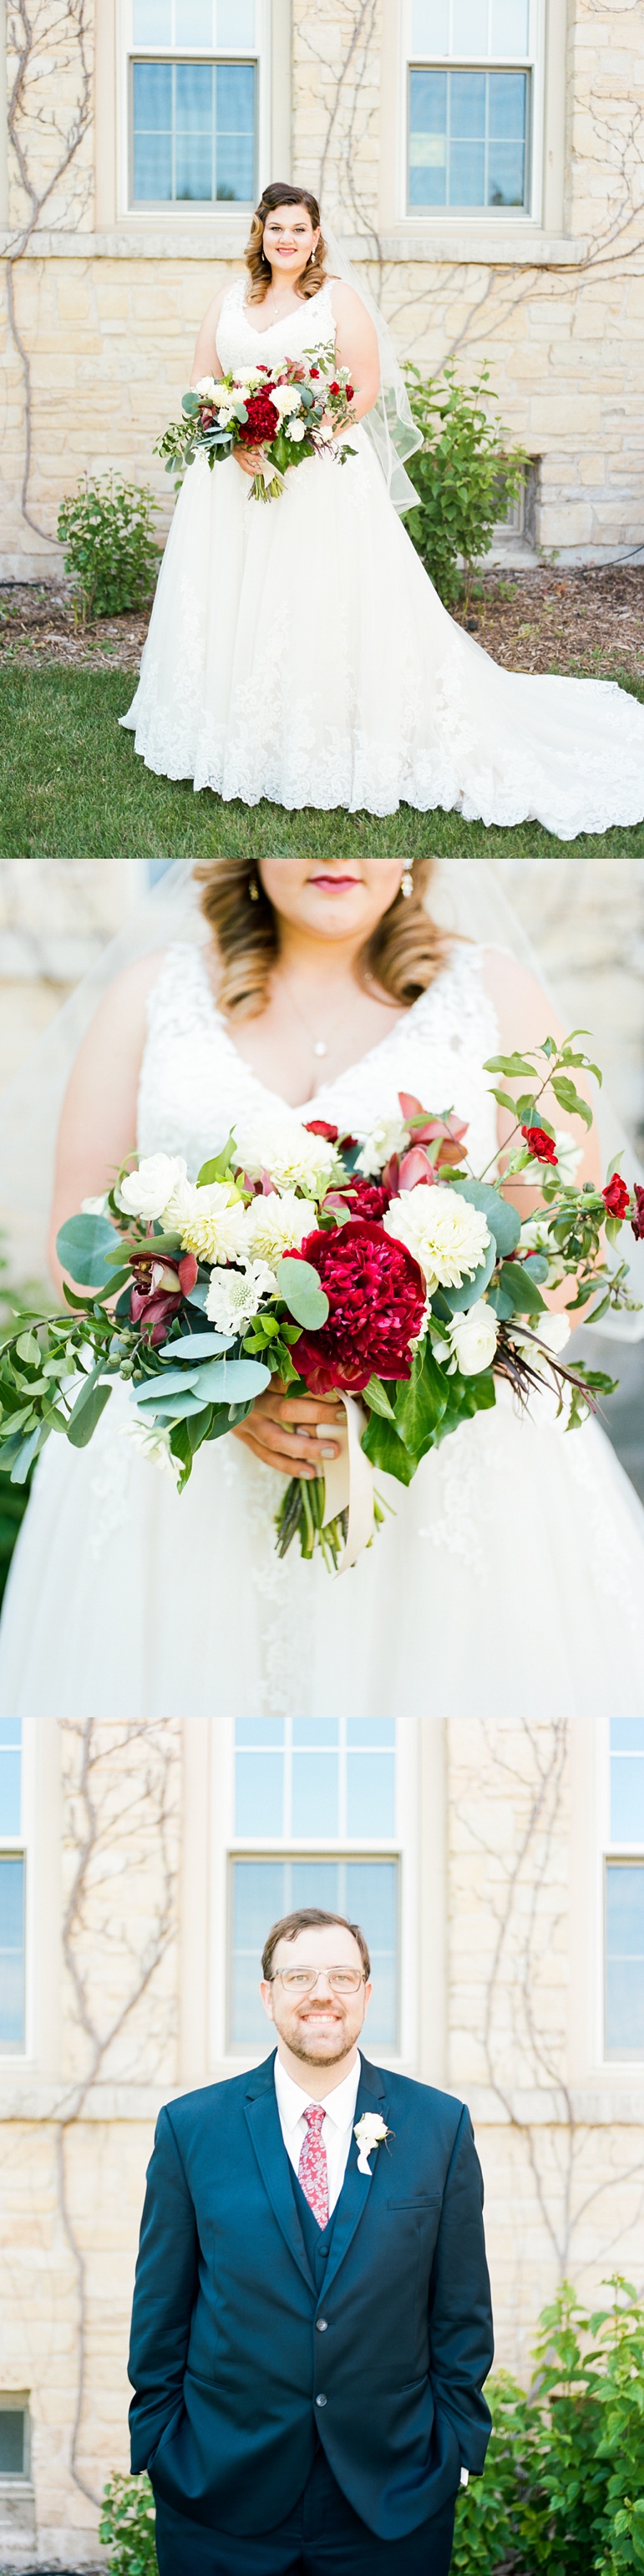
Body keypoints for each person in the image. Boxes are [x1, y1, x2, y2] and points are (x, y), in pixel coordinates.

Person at [0, 854, 643, 1723]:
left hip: (444, 1473)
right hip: (183, 1479)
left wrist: (407, 1374)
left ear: (413, 852)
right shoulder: (152, 996)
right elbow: (81, 1247)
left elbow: (563, 1249)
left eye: (368, 824)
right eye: (304, 821)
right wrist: (220, 1391)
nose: (337, 852)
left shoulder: (493, 994)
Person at [121, 182, 644, 834]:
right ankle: (230, 721)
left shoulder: (336, 298)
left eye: (299, 228)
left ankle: (320, 726)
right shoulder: (229, 300)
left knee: (311, 596)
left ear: (315, 237)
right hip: (232, 478)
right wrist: (233, 443)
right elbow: (203, 382)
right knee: (231, 593)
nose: (286, 239)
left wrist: (301, 438)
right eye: (275, 227)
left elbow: (361, 387)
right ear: (259, 233)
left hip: (317, 473)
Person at [128, 1904, 494, 2574]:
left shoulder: (439, 2128)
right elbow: (161, 2307)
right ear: (267, 1996)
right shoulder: (190, 2128)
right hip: (218, 2493)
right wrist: (159, 2442)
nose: (321, 1993)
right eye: (298, 1977)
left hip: (393, 2497)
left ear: (366, 1995)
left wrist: (456, 2450)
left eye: (341, 1977)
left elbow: (461, 2311)